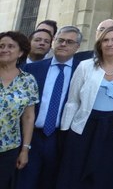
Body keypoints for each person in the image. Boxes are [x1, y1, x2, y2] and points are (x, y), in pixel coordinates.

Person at [57, 25, 113, 189]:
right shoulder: (85, 66)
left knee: (105, 175)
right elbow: (72, 101)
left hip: (112, 129)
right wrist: (64, 132)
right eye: (105, 40)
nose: (110, 44)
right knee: (75, 174)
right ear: (99, 44)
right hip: (83, 126)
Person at [17, 26, 83, 189]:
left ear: (77, 47)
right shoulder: (32, 69)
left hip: (61, 139)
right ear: (53, 42)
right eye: (60, 40)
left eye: (69, 42)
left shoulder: (82, 71)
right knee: (24, 182)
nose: (63, 44)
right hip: (32, 137)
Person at [0, 31, 38, 189]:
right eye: (1, 46)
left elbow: (29, 117)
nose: (4, 49)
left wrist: (25, 150)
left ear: (21, 52)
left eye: (10, 46)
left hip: (8, 149)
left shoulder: (28, 80)